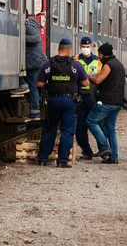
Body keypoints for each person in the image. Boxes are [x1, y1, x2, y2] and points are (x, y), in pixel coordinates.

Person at [36, 38, 89, 168]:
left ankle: (42, 159)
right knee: (67, 131)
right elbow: (85, 83)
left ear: (58, 49)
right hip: (69, 101)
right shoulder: (76, 65)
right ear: (69, 50)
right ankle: (62, 161)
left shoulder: (47, 64)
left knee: (49, 129)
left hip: (53, 101)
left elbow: (39, 83)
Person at [86, 43, 126, 164]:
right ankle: (114, 157)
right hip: (117, 103)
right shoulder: (119, 64)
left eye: (99, 54)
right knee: (110, 130)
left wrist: (88, 77)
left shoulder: (108, 65)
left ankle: (104, 147)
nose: (98, 56)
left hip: (107, 102)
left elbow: (98, 80)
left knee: (91, 121)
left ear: (104, 54)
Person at [11, 14, 47, 120]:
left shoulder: (28, 25)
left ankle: (22, 84)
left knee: (12, 66)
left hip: (34, 59)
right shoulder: (30, 25)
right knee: (33, 86)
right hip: (36, 59)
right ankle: (35, 113)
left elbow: (35, 38)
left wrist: (20, 36)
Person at [74, 37, 102, 160]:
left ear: (92, 46)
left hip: (94, 97)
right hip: (80, 98)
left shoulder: (98, 61)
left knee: (99, 125)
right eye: (83, 46)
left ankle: (103, 149)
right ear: (80, 46)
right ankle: (87, 151)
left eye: (88, 46)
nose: (85, 49)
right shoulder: (75, 59)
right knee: (79, 127)